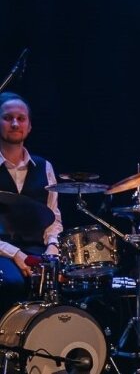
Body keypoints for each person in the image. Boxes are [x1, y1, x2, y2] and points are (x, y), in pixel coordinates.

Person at [0, 92, 62, 305]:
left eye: (21, 118)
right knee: (12, 282)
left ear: (29, 126)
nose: (15, 123)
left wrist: (53, 246)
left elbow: (53, 217)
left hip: (36, 248)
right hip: (3, 249)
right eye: (8, 118)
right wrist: (14, 253)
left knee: (65, 282)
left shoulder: (45, 167)